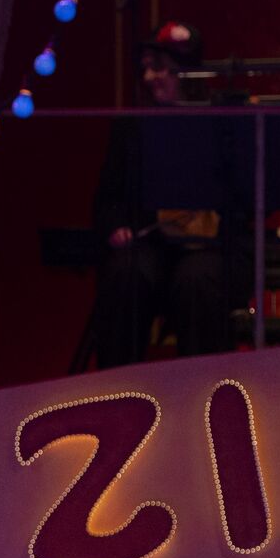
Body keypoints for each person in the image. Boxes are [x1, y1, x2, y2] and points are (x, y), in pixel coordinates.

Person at [89, 20, 237, 367]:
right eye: (146, 69)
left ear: (186, 72)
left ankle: (201, 388)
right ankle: (120, 388)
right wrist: (116, 227)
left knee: (197, 282)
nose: (149, 77)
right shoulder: (131, 125)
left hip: (204, 247)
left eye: (159, 68)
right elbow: (108, 197)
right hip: (149, 244)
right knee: (126, 275)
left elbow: (241, 198)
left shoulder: (219, 122)